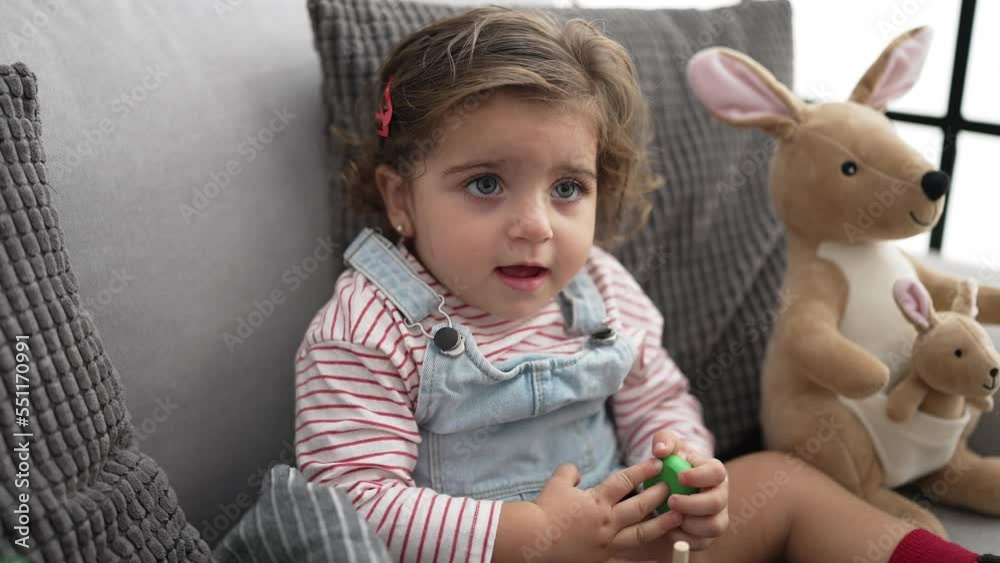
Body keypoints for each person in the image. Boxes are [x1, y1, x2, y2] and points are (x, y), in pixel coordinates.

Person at [293, 6, 995, 563]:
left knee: (782, 483)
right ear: (400, 199)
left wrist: (686, 471)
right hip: (489, 553)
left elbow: (657, 398)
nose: (535, 224)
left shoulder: (598, 286)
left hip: (626, 540)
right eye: (485, 183)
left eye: (568, 187)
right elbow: (357, 504)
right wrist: (530, 535)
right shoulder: (369, 327)